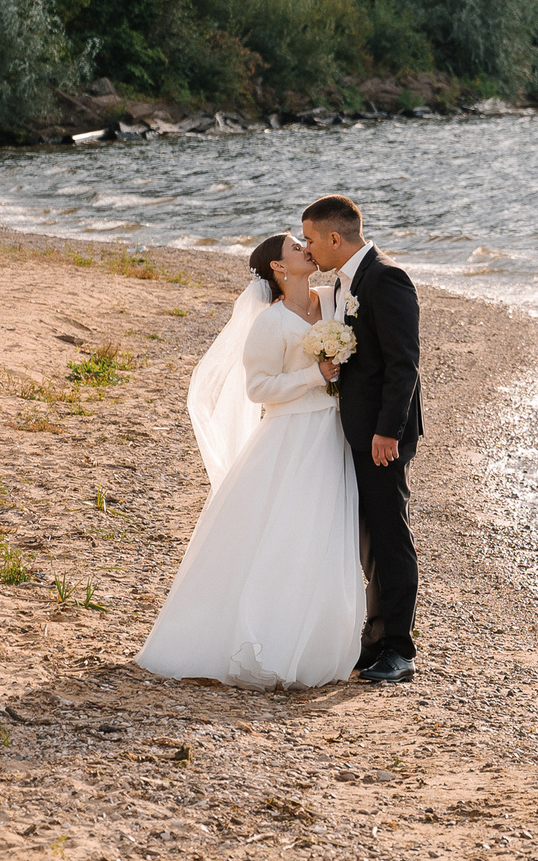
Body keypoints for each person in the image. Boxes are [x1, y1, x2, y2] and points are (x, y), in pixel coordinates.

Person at [135, 232, 363, 689]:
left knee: (323, 533)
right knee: (283, 532)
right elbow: (258, 388)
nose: (306, 250)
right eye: (296, 248)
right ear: (278, 268)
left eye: (305, 244)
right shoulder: (270, 322)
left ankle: (315, 640)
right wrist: (313, 375)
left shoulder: (330, 300)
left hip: (330, 434)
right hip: (290, 435)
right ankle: (259, 640)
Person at [300, 193, 425, 685]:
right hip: (360, 429)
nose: (308, 249)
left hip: (381, 436)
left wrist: (386, 432)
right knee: (369, 538)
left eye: (311, 239)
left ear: (335, 237)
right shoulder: (345, 281)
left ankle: (399, 649)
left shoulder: (385, 277)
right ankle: (373, 642)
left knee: (389, 536)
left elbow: (404, 363)